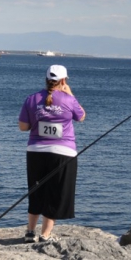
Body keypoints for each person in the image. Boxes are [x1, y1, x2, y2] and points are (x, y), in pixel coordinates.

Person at [18, 64, 86, 243]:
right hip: (63, 153)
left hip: (35, 152)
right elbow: (81, 116)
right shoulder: (68, 99)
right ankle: (45, 234)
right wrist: (70, 94)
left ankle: (30, 232)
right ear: (63, 81)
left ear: (46, 79)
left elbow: (23, 127)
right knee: (56, 192)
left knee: (36, 190)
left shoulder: (31, 99)